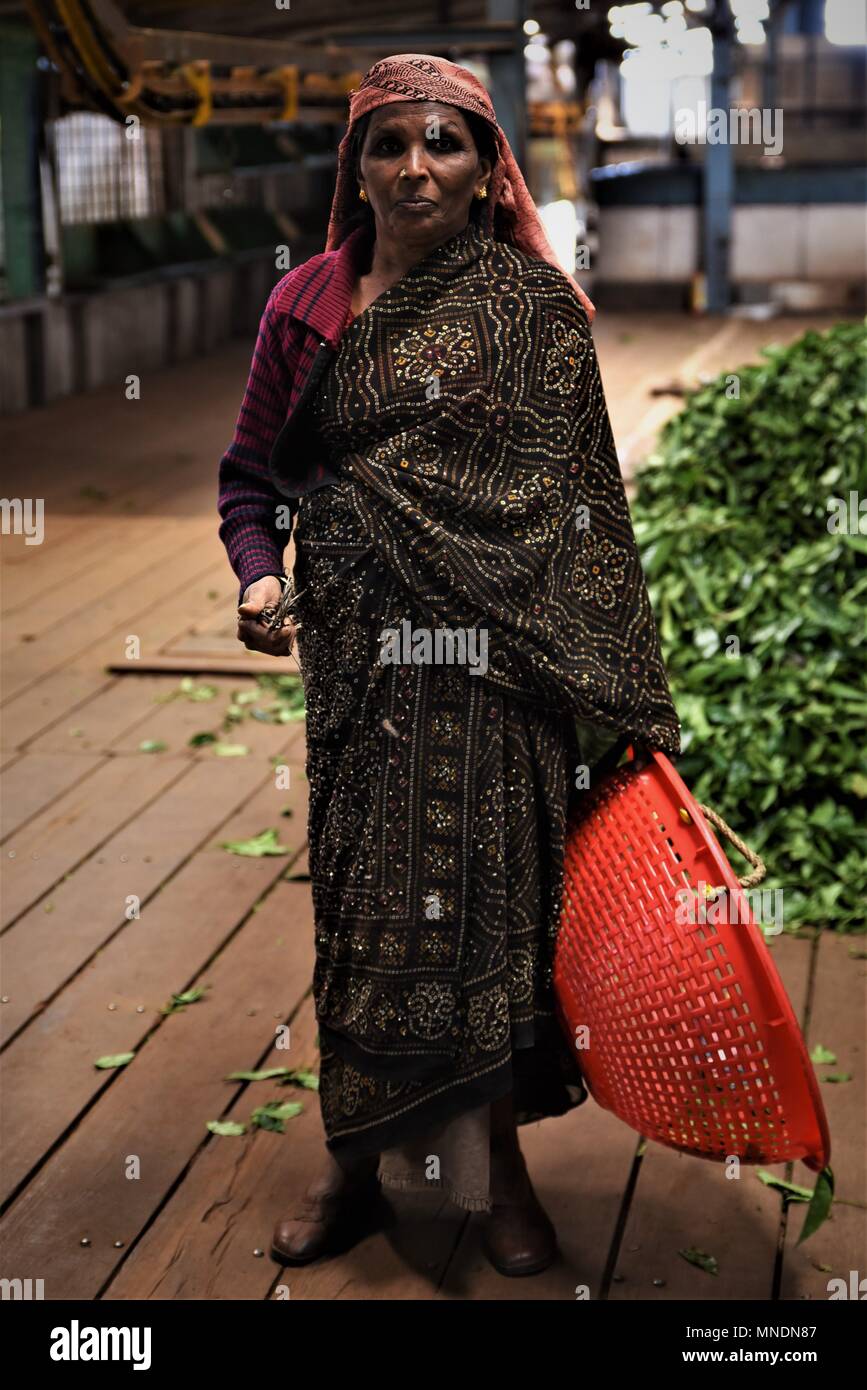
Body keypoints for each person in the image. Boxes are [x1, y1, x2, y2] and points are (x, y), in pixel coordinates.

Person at [217, 53, 681, 1278]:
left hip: (503, 673)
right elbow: (248, 481)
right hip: (364, 663)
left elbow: (585, 510)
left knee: (496, 909)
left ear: (488, 171)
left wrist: (615, 678)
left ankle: (503, 1169)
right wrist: (262, 576)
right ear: (356, 166)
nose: (415, 167)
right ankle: (356, 1163)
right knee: (368, 913)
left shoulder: (536, 316)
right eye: (389, 144)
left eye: (445, 144)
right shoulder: (308, 305)